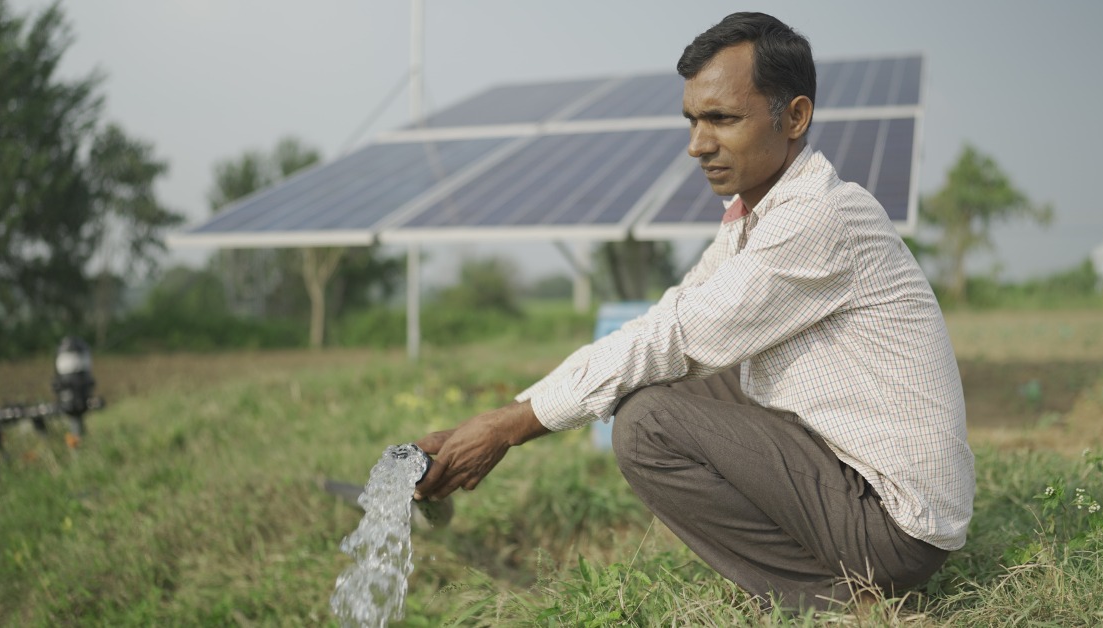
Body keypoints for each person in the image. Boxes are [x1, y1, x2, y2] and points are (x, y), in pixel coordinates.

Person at [413, 11, 974, 612]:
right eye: (693, 120)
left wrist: (508, 428)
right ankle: (828, 583)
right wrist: (504, 416)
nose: (697, 144)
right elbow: (667, 319)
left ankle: (833, 601)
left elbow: (679, 336)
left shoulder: (821, 216)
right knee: (682, 380)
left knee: (647, 421)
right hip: (851, 485)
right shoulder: (752, 217)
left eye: (722, 119)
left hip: (891, 524)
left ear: (795, 116)